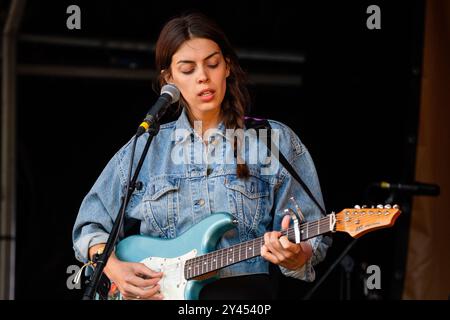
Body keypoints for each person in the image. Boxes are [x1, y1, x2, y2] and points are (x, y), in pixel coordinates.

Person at [72, 12, 331, 300]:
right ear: (169, 78)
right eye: (187, 69)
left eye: (212, 64)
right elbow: (90, 225)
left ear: (227, 67)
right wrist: (113, 268)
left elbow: (311, 238)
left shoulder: (271, 141)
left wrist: (296, 256)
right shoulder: (147, 147)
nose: (203, 77)